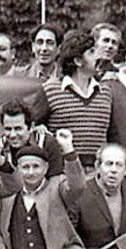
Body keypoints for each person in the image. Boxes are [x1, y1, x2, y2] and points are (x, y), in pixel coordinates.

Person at [42, 31, 114, 167]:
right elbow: (37, 129)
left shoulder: (105, 92)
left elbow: (112, 134)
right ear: (78, 61)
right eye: (92, 52)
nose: (99, 56)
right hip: (63, 171)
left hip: (97, 173)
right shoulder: (50, 90)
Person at [0, 100, 65, 177]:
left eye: (18, 129)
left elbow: (55, 181)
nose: (12, 135)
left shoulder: (47, 143)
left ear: (30, 127)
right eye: (8, 129)